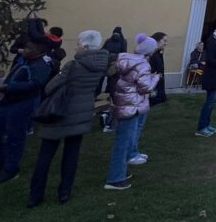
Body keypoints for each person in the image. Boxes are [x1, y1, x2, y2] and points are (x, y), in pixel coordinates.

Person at [27, 30, 109, 207]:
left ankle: (36, 194)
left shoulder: (73, 65)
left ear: (85, 47)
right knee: (72, 154)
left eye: (78, 44)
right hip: (81, 113)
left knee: (46, 154)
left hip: (60, 112)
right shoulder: (100, 64)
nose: (76, 46)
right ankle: (64, 192)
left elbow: (50, 88)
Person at [0, 39, 51, 183]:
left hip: (23, 103)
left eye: (28, 48)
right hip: (7, 101)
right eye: (24, 48)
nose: (24, 51)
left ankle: (10, 169)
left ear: (38, 51)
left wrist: (10, 88)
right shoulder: (23, 61)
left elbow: (36, 84)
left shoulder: (41, 65)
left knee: (15, 136)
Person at [104, 34, 160, 190]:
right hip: (132, 105)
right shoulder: (143, 65)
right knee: (123, 142)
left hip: (126, 103)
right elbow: (145, 87)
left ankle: (120, 172)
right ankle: (115, 179)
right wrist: (155, 78)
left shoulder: (127, 60)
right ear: (150, 50)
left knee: (125, 140)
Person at [150, 32, 168, 105]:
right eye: (164, 41)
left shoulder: (158, 53)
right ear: (157, 41)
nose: (166, 43)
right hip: (152, 86)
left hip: (157, 84)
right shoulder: (151, 54)